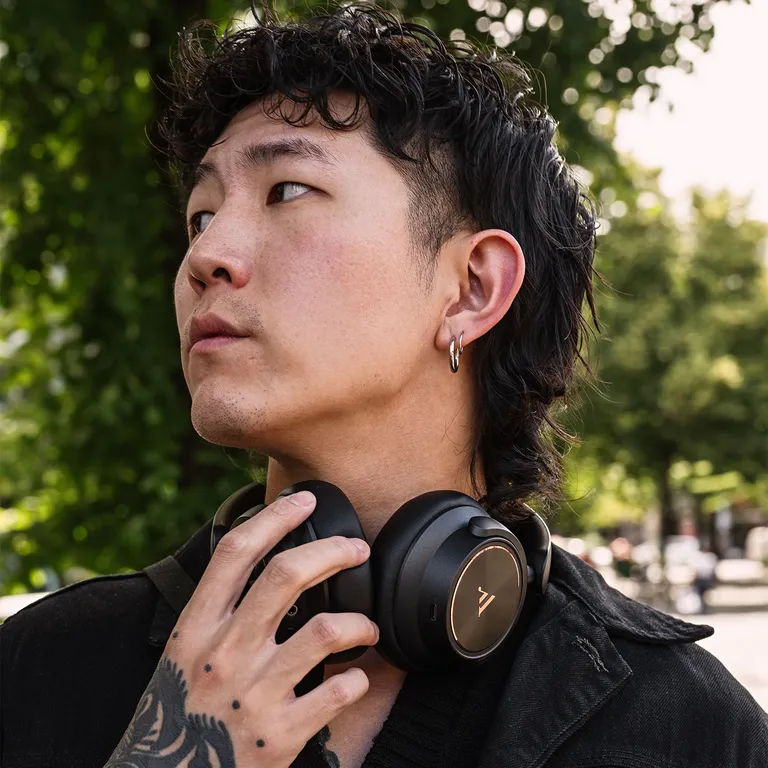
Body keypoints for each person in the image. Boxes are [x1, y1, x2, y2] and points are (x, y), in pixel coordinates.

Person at [1, 4, 766, 767]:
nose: (206, 256)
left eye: (286, 190)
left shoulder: (688, 728)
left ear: (471, 288)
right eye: (201, 217)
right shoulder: (44, 667)